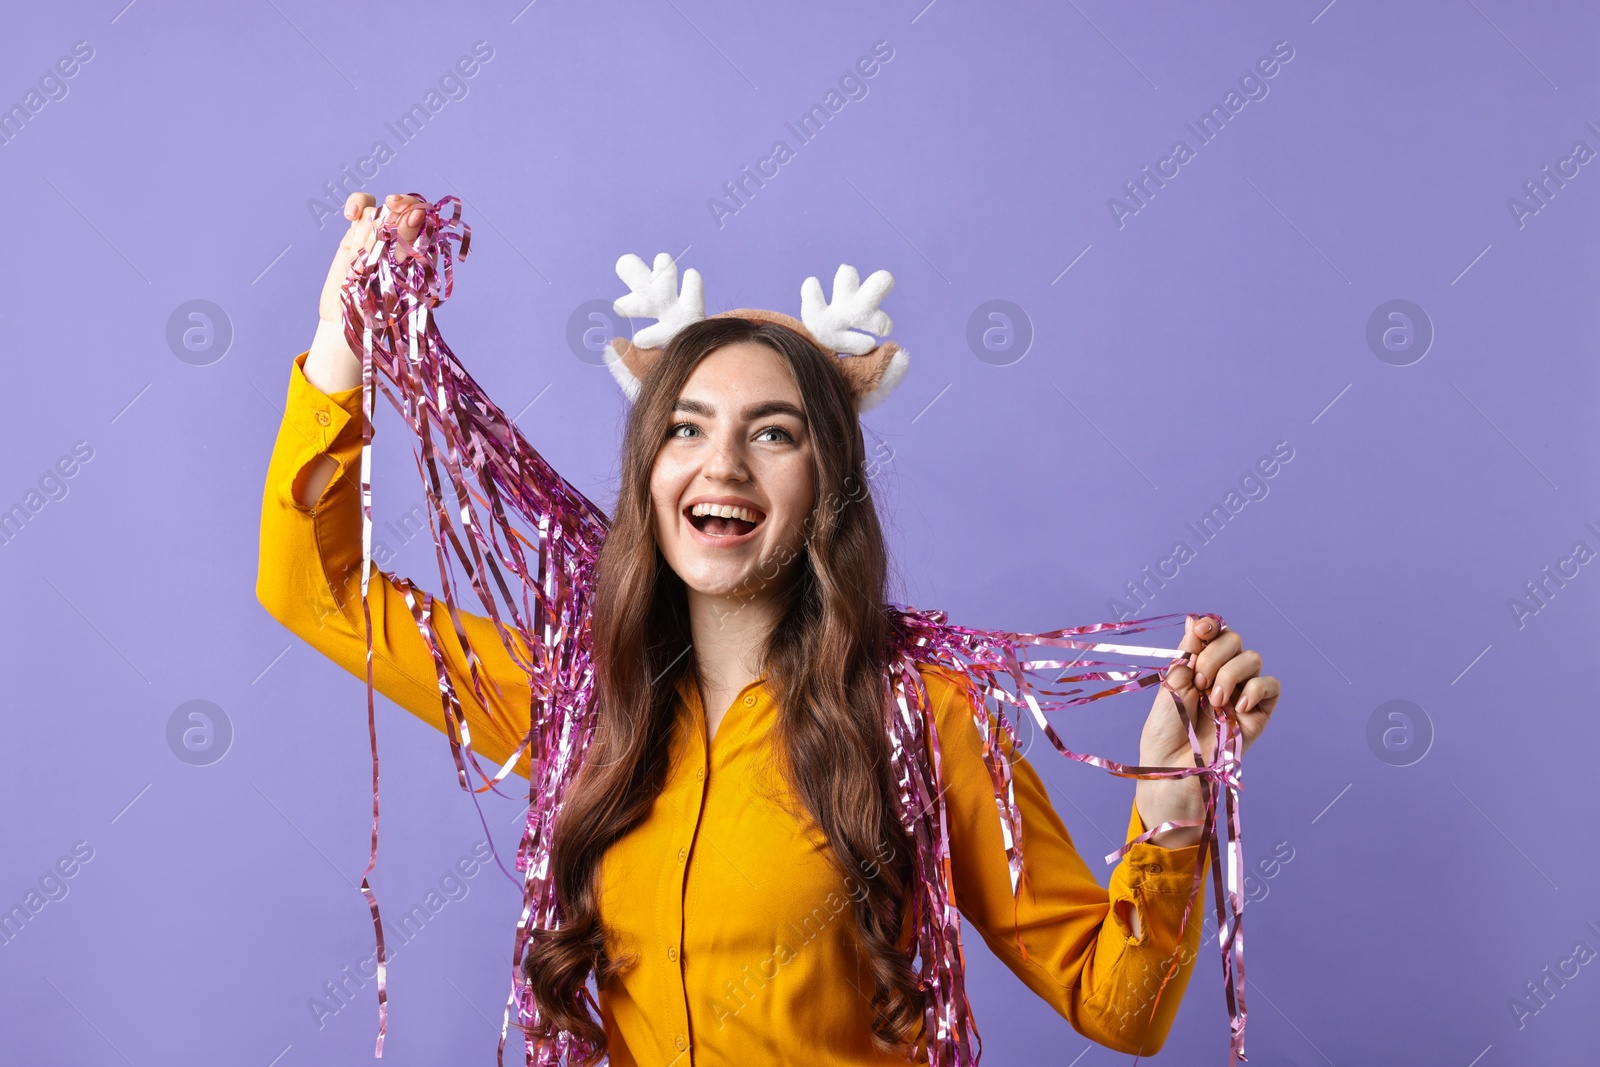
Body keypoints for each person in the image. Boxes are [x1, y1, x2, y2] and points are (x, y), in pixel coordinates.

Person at [256, 192, 1281, 1066]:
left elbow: (1118, 1003)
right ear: (649, 474)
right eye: (686, 426)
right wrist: (346, 331)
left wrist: (1174, 804)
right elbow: (312, 588)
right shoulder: (577, 702)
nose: (723, 464)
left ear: (827, 485)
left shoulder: (921, 719)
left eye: (774, 432)